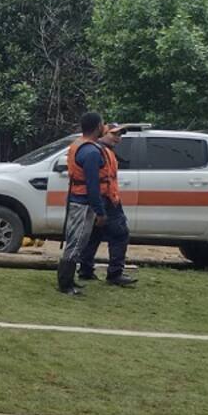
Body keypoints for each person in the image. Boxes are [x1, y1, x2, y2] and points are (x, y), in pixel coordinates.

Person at [57, 111, 109, 295]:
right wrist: (100, 211)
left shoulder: (79, 145)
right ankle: (65, 284)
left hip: (79, 199)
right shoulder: (91, 151)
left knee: (76, 241)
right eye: (103, 123)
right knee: (77, 242)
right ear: (97, 127)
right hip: (84, 202)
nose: (105, 126)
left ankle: (68, 280)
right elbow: (93, 184)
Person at [78, 124, 137, 287]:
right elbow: (94, 181)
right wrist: (100, 207)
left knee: (94, 234)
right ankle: (114, 274)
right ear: (103, 134)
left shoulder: (101, 151)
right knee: (120, 234)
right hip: (105, 200)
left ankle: (85, 270)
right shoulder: (98, 152)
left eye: (120, 135)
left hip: (105, 199)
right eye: (115, 134)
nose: (118, 138)